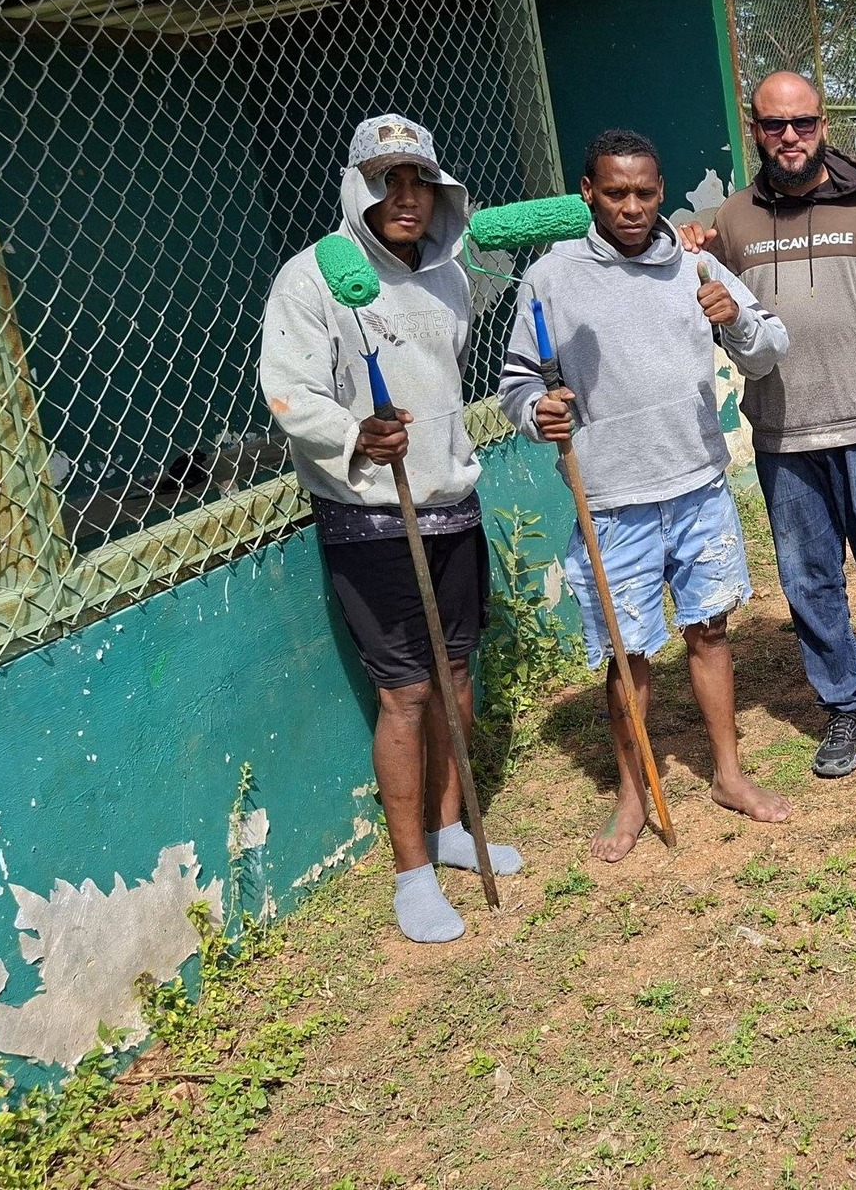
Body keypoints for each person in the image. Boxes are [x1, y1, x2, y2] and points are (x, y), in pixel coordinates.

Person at [260, 113, 523, 944]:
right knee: (406, 692)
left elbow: (451, 355)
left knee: (456, 672)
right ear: (357, 189)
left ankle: (450, 828)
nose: (406, 197)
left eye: (420, 181)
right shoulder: (312, 280)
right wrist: (355, 434)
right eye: (387, 181)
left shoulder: (448, 274)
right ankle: (412, 874)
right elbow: (289, 391)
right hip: (371, 513)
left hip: (450, 498)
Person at [498, 129, 792, 859]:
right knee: (628, 656)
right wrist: (540, 410)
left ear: (661, 192)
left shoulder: (696, 263)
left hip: (698, 485)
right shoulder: (551, 279)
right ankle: (634, 792)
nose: (632, 206)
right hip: (612, 502)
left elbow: (766, 348)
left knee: (711, 632)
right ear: (587, 193)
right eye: (616, 192)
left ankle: (728, 774)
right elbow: (517, 382)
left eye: (646, 192)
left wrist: (738, 321)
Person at [681, 71, 856, 780]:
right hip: (783, 434)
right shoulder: (731, 221)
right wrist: (684, 248)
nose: (789, 136)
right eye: (774, 125)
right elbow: (714, 309)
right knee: (807, 576)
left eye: (802, 123)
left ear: (823, 125)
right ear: (755, 130)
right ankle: (843, 706)